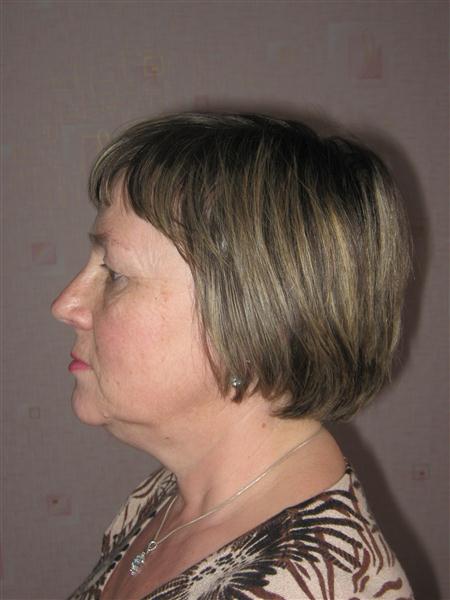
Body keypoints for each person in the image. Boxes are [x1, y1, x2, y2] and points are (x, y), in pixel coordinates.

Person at [51, 112, 414, 599]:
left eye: (115, 273)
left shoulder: (295, 586)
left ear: (251, 322)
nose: (66, 305)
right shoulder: (175, 493)